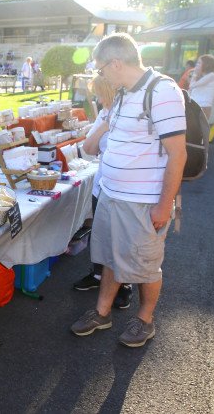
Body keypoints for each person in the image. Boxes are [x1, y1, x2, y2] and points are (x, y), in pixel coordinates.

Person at [70, 33, 187, 348]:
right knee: (111, 257)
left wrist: (164, 206)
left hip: (142, 201)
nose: (101, 75)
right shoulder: (122, 93)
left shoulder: (162, 90)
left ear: (116, 63)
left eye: (101, 69)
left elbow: (178, 154)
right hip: (111, 194)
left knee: (146, 265)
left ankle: (145, 320)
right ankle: (102, 312)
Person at [73, 75, 133, 309]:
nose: (97, 99)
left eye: (99, 94)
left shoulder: (130, 114)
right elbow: (88, 148)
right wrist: (104, 125)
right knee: (101, 235)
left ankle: (125, 284)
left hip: (126, 189)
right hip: (102, 185)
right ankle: (98, 275)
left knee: (123, 239)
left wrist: (102, 134)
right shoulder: (105, 114)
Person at [188, 54, 214, 120]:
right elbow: (190, 89)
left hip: (203, 106)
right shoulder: (200, 76)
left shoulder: (212, 76)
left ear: (206, 64)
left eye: (199, 63)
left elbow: (192, 85)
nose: (196, 65)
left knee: (200, 126)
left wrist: (195, 74)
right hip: (194, 105)